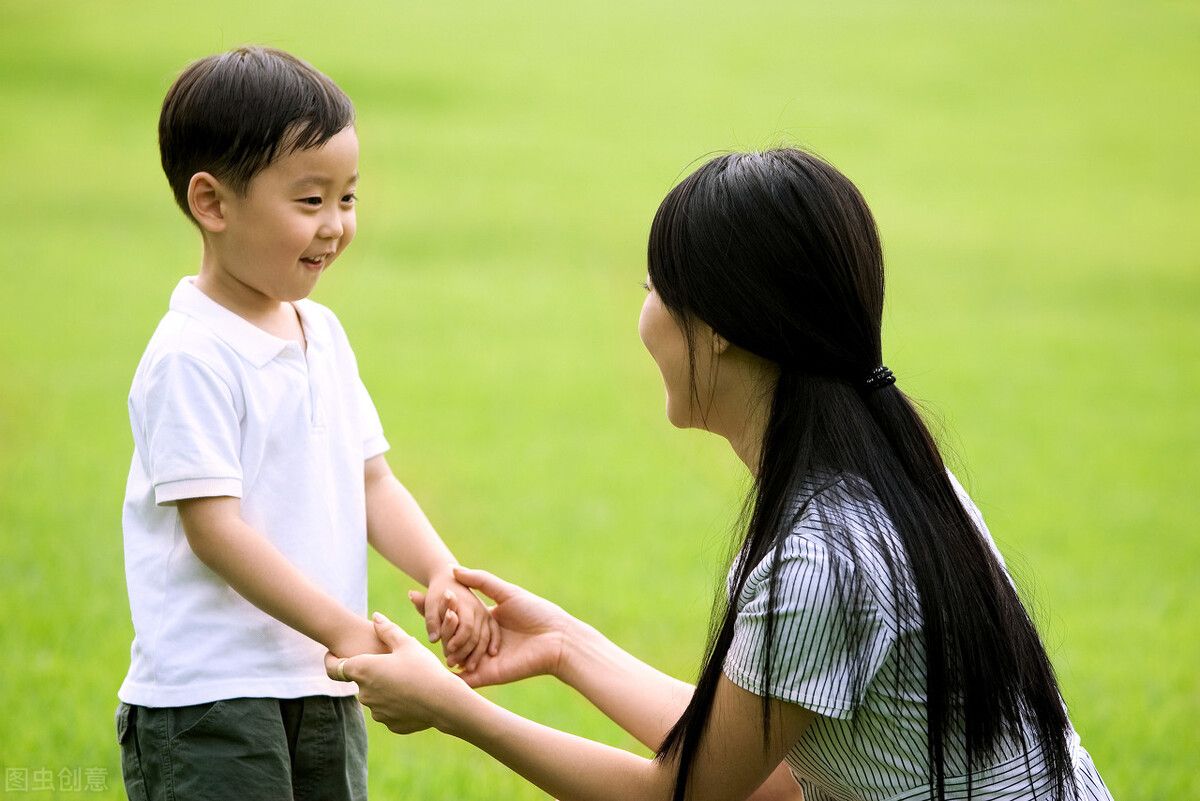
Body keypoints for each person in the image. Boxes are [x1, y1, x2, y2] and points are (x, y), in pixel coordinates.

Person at [328, 149, 1114, 801]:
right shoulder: (893, 477)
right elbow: (767, 772)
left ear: (723, 329)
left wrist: (454, 708)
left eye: (652, 287)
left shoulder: (823, 557)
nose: (643, 312)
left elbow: (683, 797)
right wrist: (565, 646)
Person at [115, 46, 499, 801]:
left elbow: (372, 478)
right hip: (212, 700)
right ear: (213, 203)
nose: (336, 226)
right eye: (310, 200)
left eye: (347, 198)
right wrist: (345, 628)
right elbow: (214, 530)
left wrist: (439, 569)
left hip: (321, 684)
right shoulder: (190, 355)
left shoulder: (320, 332)